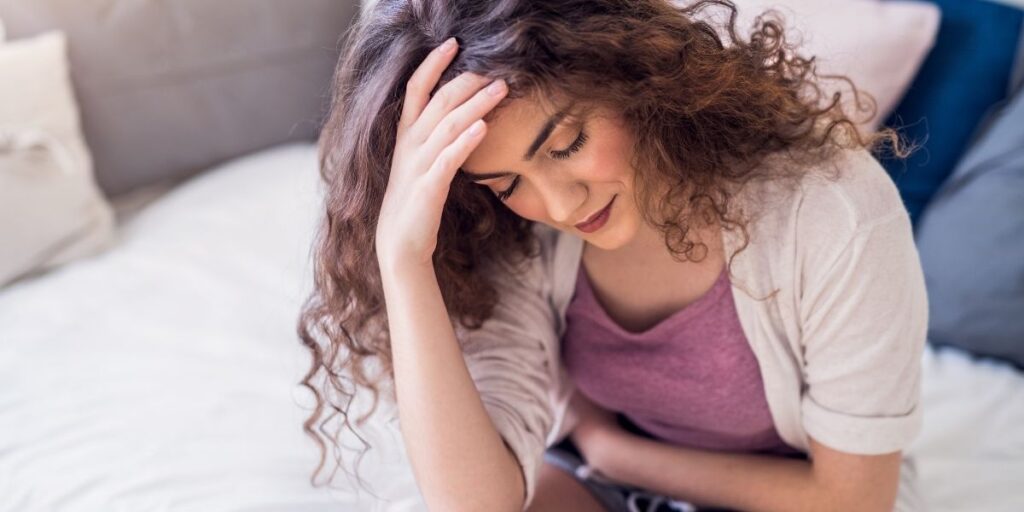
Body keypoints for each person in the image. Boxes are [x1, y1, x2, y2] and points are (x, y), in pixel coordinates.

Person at [297, 0, 928, 510]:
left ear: (631, 81)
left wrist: (614, 451)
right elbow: (474, 505)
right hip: (597, 480)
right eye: (508, 183)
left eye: (567, 144)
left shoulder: (830, 211)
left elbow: (853, 498)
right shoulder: (515, 237)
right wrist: (403, 260)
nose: (561, 205)